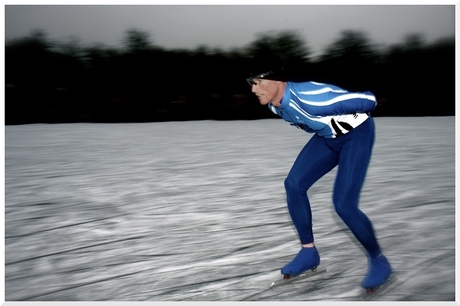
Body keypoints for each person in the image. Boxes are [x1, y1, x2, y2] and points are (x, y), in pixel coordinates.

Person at [246, 51, 392, 290]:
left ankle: (379, 260)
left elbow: (369, 100)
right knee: (294, 184)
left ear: (278, 80)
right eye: (251, 83)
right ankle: (309, 252)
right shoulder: (275, 106)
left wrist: (352, 105)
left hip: (356, 136)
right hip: (328, 138)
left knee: (344, 204)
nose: (253, 89)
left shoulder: (313, 99)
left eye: (258, 82)